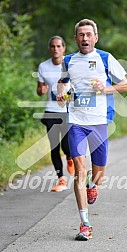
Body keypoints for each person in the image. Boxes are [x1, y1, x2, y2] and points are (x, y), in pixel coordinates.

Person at [57, 19, 127, 240]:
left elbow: (125, 85)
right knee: (79, 171)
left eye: (89, 34)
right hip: (76, 121)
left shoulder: (106, 58)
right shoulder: (68, 60)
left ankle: (92, 184)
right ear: (75, 38)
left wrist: (105, 88)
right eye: (81, 35)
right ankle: (85, 224)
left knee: (98, 176)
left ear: (95, 37)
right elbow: (62, 81)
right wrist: (62, 93)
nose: (85, 38)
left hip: (99, 122)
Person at [37, 35, 74, 192]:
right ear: (49, 48)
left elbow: (75, 88)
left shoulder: (71, 64)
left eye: (59, 46)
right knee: (54, 147)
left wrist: (67, 97)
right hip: (51, 111)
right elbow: (39, 90)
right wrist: (41, 90)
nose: (56, 49)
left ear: (64, 48)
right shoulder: (43, 66)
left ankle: (70, 158)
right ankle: (61, 180)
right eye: (53, 46)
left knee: (67, 146)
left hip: (67, 111)